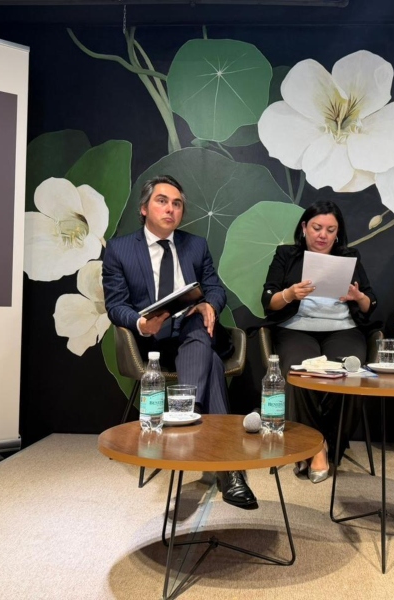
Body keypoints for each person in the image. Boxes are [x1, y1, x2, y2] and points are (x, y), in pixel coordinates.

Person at [103, 175, 257, 509]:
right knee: (210, 361)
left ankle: (188, 419)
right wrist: (141, 322)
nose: (170, 209)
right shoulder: (119, 249)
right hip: (150, 343)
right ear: (144, 208)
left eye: (176, 204)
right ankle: (229, 470)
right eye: (162, 201)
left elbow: (215, 288)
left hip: (191, 335)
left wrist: (209, 304)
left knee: (197, 323)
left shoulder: (195, 246)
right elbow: (115, 305)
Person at [261, 200, 378, 483]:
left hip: (343, 328)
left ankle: (328, 446)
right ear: (304, 227)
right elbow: (269, 301)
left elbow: (370, 304)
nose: (322, 235)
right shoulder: (287, 255)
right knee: (299, 372)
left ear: (338, 233)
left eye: (330, 230)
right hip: (297, 328)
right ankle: (315, 447)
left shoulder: (349, 256)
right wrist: (290, 294)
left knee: (350, 375)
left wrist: (358, 296)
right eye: (316, 227)